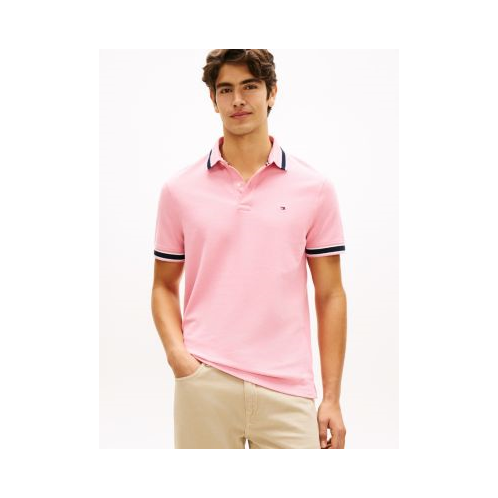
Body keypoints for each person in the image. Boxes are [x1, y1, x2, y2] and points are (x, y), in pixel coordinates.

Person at [152, 49, 347, 449]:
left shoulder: (314, 188)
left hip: (288, 389)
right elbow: (163, 286)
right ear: (213, 99)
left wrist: (331, 398)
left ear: (272, 92)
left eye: (250, 86)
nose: (238, 99)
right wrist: (179, 358)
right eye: (226, 89)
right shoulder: (179, 190)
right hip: (205, 381)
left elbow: (330, 294)